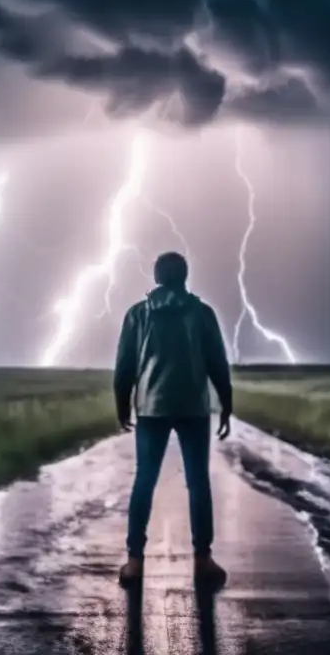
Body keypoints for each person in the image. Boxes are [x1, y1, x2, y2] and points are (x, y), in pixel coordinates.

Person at [113, 251, 233, 587]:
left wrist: (122, 405)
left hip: (151, 408)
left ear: (156, 278)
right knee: (198, 482)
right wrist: (226, 404)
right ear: (185, 276)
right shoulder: (203, 313)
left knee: (144, 480)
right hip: (194, 407)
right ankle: (203, 560)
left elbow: (124, 367)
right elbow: (217, 363)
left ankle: (134, 562)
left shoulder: (137, 314)